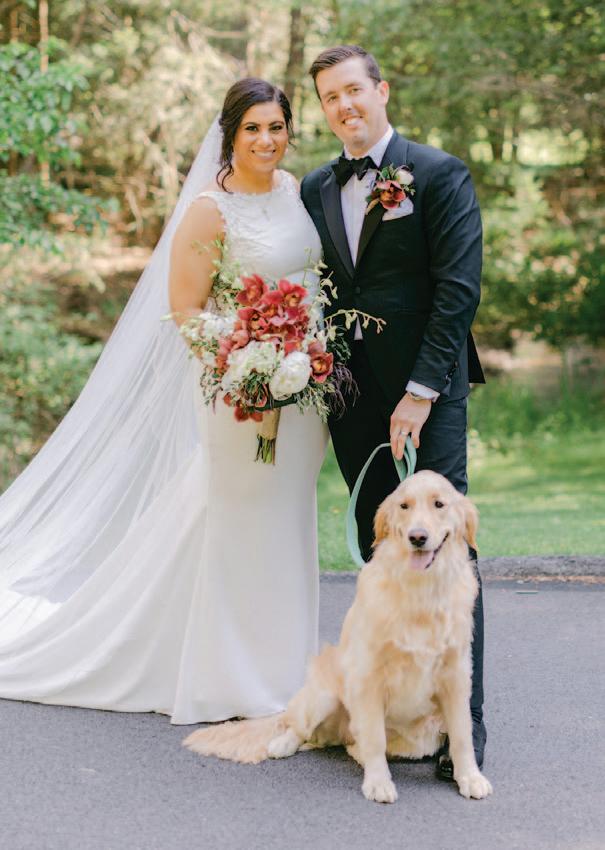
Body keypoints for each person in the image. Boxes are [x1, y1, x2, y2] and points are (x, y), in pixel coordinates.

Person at [0, 79, 327, 724]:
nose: (266, 140)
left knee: (287, 522)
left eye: (276, 127)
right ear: (230, 135)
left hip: (303, 390)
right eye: (253, 128)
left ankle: (284, 665)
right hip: (241, 393)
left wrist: (303, 359)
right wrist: (247, 364)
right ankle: (230, 677)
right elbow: (186, 310)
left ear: (290, 130)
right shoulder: (209, 210)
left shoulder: (292, 190)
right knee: (241, 521)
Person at [300, 45, 487, 778]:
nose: (344, 105)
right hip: (350, 396)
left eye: (353, 90)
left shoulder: (437, 173)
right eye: (329, 96)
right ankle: (386, 716)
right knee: (381, 544)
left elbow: (457, 290)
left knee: (446, 549)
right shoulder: (316, 187)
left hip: (427, 392)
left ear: (380, 91)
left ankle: (464, 730)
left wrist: (420, 390)